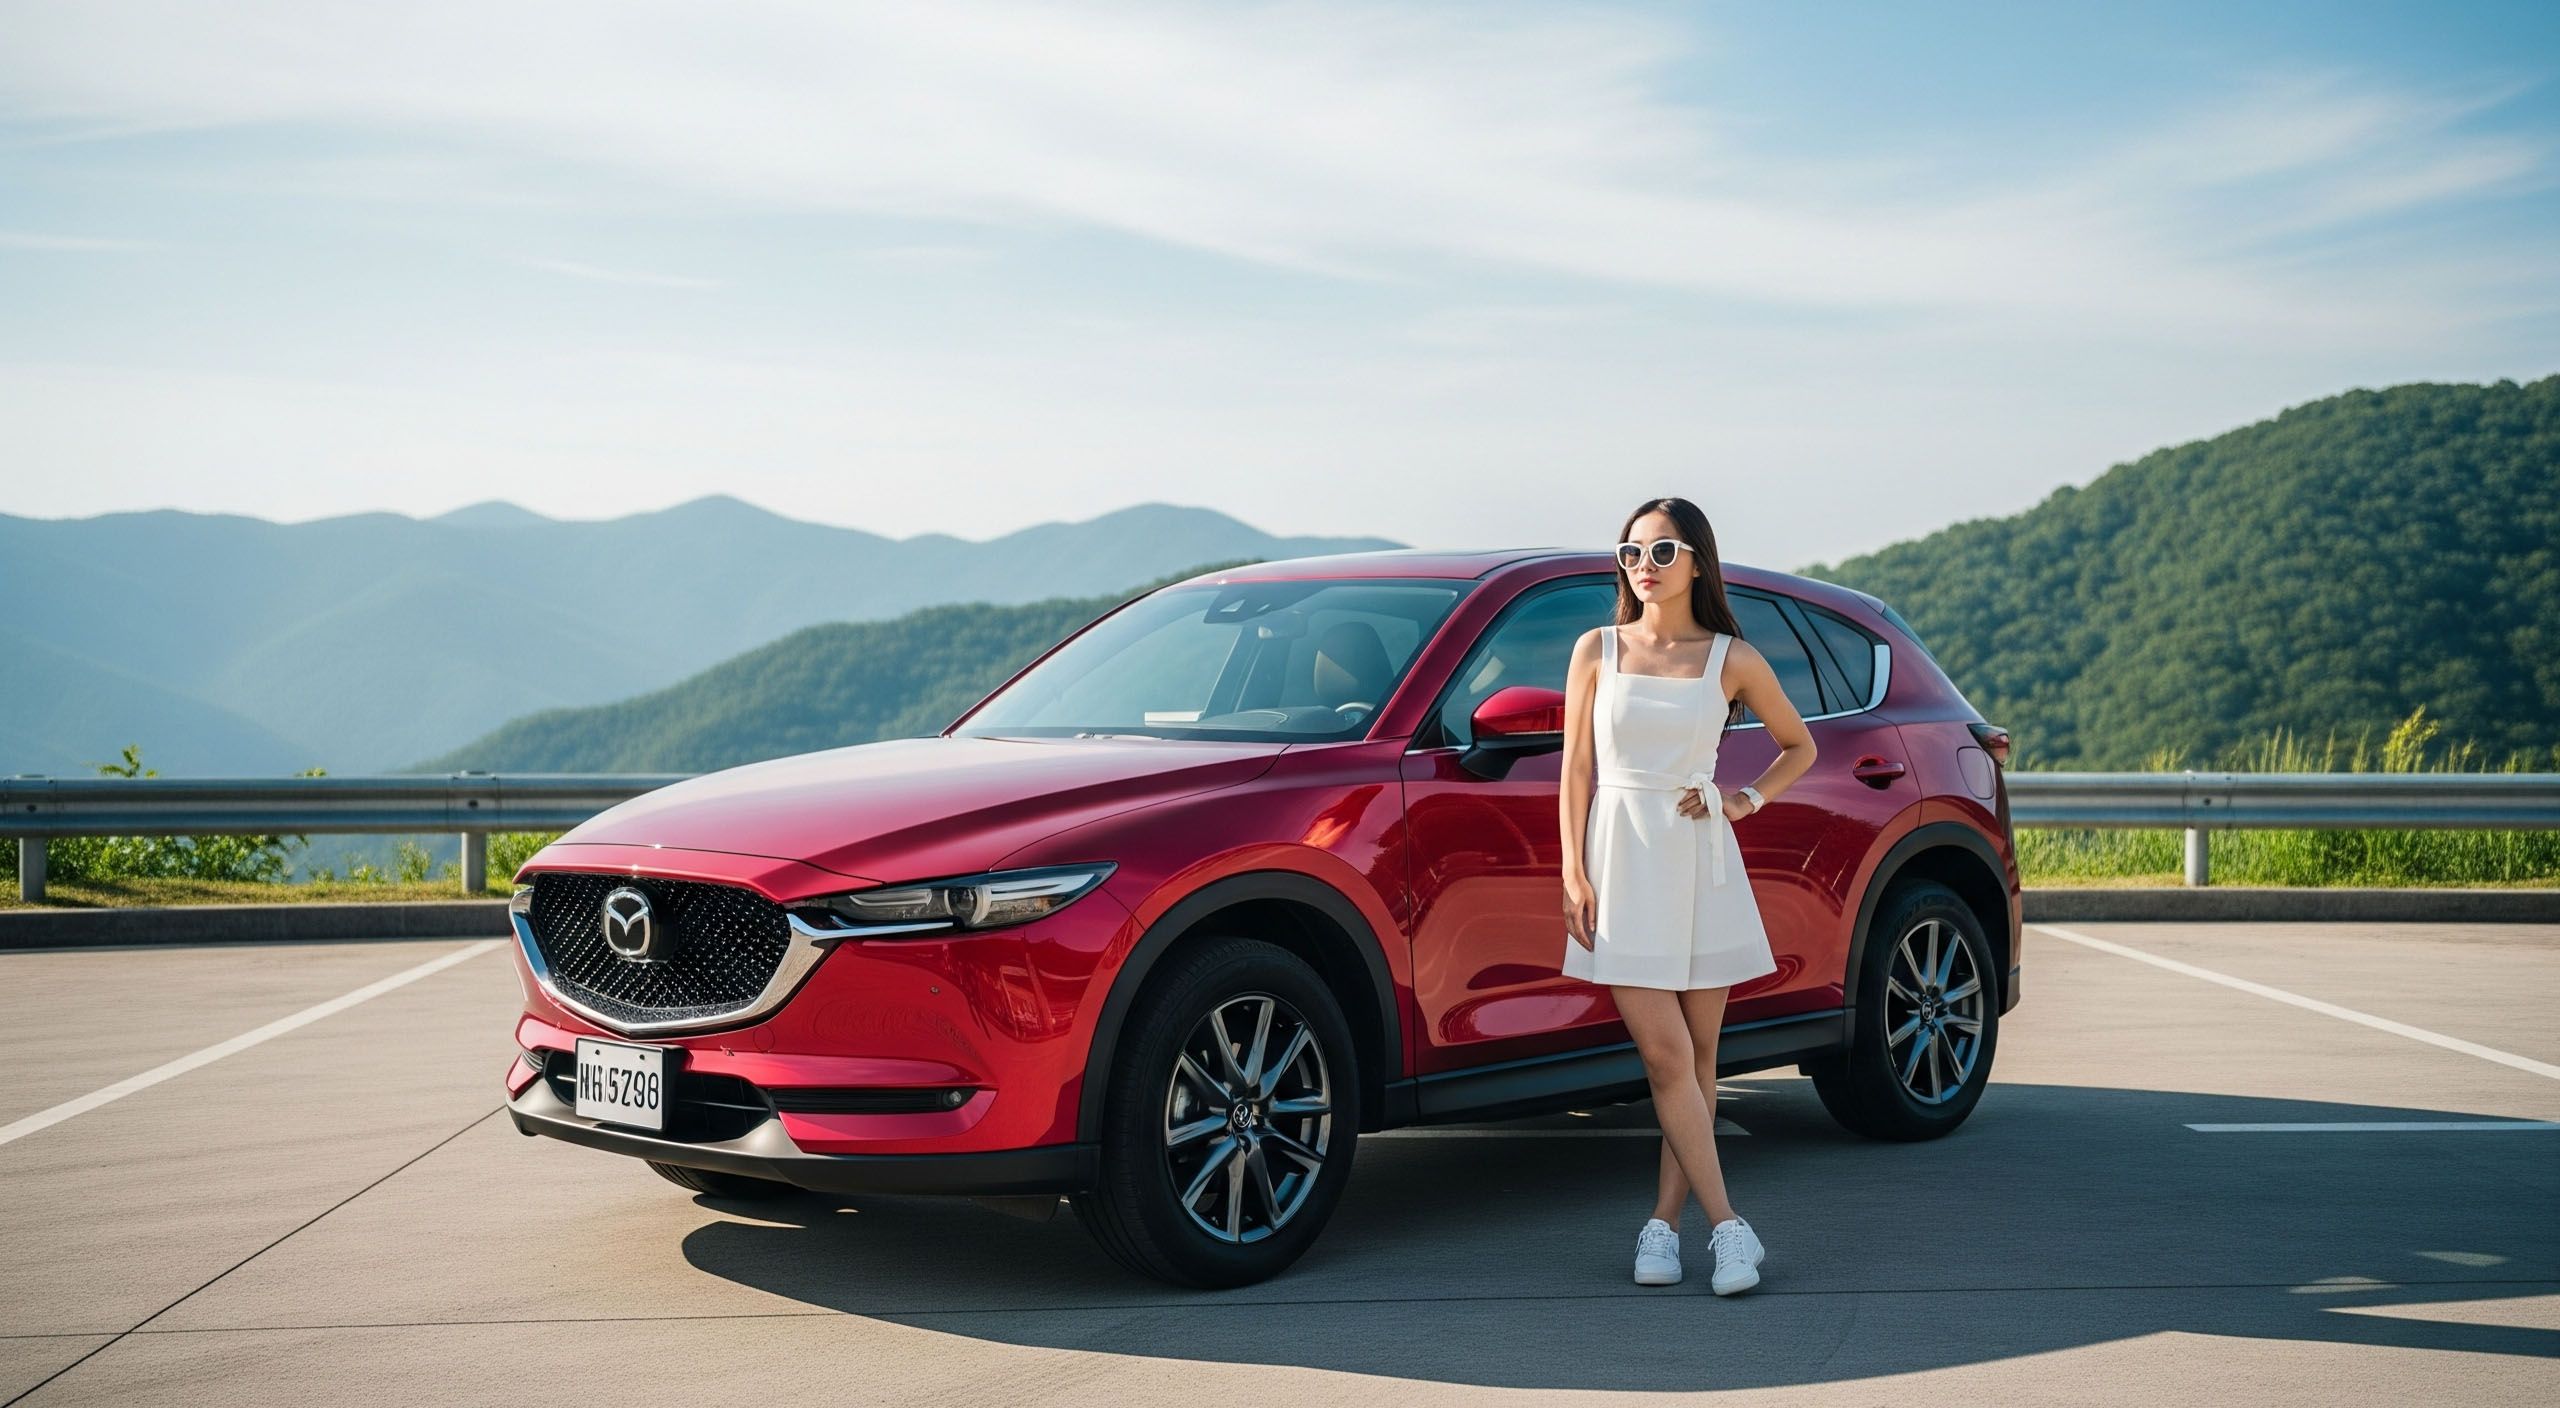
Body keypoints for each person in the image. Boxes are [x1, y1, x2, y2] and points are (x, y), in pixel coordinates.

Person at [1559, 495, 1818, 1295]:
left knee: (1699, 1063)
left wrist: (1742, 802)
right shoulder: (1596, 648)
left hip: (1701, 859)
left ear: (1697, 562)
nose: (1644, 565)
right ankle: (1732, 1229)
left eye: (1663, 552)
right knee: (1666, 1055)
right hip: (1621, 858)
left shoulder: (1730, 659)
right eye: (1632, 551)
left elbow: (1798, 745)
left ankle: (1663, 1228)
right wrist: (1572, 869)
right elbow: (1575, 769)